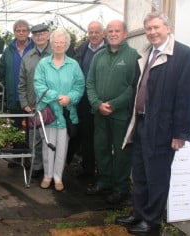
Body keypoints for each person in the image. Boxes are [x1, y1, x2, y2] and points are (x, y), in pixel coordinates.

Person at [116, 12, 190, 234]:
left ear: (168, 28)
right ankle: (139, 214)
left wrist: (181, 132)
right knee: (141, 173)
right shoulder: (145, 53)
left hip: (163, 128)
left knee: (157, 176)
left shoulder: (184, 56)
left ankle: (152, 222)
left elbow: (187, 97)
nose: (152, 32)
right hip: (142, 123)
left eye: (156, 28)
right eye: (148, 29)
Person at [85, 20, 139, 204]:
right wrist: (96, 103)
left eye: (117, 30)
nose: (113, 33)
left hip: (121, 115)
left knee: (122, 151)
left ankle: (121, 187)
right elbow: (90, 82)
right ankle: (104, 181)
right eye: (110, 31)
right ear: (106, 34)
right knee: (101, 148)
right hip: (99, 112)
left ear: (125, 34)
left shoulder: (134, 57)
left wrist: (114, 104)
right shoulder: (98, 56)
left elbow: (134, 87)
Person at [34, 28, 85, 191]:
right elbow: (38, 85)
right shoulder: (43, 64)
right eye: (56, 42)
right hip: (48, 112)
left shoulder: (73, 65)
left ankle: (58, 177)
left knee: (62, 146)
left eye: (62, 42)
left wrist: (70, 98)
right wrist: (56, 96)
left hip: (66, 113)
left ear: (67, 44)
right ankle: (47, 175)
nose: (59, 45)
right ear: (51, 43)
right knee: (48, 145)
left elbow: (79, 86)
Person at [68, 21, 106, 180]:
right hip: (84, 99)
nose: (94, 35)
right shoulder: (83, 49)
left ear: (103, 33)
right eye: (91, 32)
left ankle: (103, 173)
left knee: (102, 137)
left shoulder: (109, 49)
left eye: (97, 32)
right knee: (86, 136)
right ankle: (88, 170)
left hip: (103, 100)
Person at [0, 19, 35, 116]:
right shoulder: (8, 51)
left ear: (29, 32)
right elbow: (1, 71)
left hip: (32, 98)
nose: (21, 33)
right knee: (15, 127)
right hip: (14, 97)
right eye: (18, 30)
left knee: (33, 128)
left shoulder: (35, 49)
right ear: (14, 33)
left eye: (24, 30)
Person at [18, 23, 52, 179]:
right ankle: (37, 168)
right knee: (34, 139)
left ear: (48, 35)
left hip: (52, 106)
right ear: (32, 37)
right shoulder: (28, 57)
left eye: (43, 34)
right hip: (33, 106)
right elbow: (22, 83)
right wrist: (24, 103)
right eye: (36, 34)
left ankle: (50, 170)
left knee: (50, 139)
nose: (39, 37)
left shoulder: (56, 53)